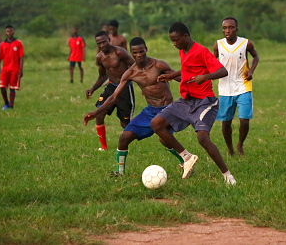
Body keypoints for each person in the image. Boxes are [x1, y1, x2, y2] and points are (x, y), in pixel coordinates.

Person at [84, 37, 189, 175]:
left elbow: (181, 78)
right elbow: (114, 96)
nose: (139, 55)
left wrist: (198, 80)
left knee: (164, 139)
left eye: (141, 52)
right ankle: (119, 172)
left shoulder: (159, 65)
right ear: (131, 53)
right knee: (124, 138)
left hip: (167, 109)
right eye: (135, 53)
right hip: (150, 110)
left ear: (146, 50)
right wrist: (96, 113)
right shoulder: (131, 73)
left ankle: (186, 161)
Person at [150, 22, 236, 185]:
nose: (175, 44)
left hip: (205, 101)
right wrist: (170, 76)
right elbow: (187, 70)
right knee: (156, 124)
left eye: (176, 40)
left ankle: (227, 176)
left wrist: (205, 77)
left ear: (186, 36)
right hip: (186, 101)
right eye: (172, 41)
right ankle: (186, 157)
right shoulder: (183, 50)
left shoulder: (201, 51)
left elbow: (223, 71)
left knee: (202, 138)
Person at [213, 17, 259, 156]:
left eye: (231, 27)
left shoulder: (246, 43)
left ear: (236, 29)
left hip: (243, 86)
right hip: (225, 88)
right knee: (226, 122)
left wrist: (251, 71)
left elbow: (256, 57)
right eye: (225, 28)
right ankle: (230, 148)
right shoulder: (218, 45)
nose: (227, 30)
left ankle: (240, 145)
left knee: (244, 120)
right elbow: (212, 62)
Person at [86, 31, 135, 151]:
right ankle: (103, 147)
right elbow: (102, 76)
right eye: (99, 43)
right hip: (111, 87)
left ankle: (133, 138)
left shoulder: (120, 52)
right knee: (99, 113)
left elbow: (135, 66)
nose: (102, 45)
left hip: (124, 88)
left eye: (104, 41)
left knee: (125, 124)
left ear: (109, 39)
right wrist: (92, 89)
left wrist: (144, 84)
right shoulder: (100, 57)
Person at [0, 25, 24, 110]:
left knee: (12, 87)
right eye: (8, 31)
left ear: (13, 32)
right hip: (5, 69)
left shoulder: (18, 43)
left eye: (11, 31)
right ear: (5, 33)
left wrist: (21, 70)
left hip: (15, 69)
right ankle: (6, 103)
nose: (9, 33)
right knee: (2, 86)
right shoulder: (2, 45)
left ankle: (11, 105)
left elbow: (21, 57)